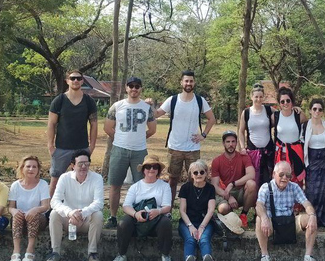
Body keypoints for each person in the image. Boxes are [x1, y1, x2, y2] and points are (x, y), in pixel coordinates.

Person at [104, 76, 156, 229]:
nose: (134, 89)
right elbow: (107, 128)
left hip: (139, 151)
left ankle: (139, 216)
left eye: (137, 86)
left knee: (141, 185)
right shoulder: (117, 106)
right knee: (115, 185)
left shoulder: (147, 108)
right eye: (131, 86)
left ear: (141, 89)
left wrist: (140, 137)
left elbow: (152, 129)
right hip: (119, 150)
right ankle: (113, 217)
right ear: (126, 88)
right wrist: (120, 138)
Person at [156, 70, 217, 199]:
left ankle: (191, 210)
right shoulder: (173, 100)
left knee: (195, 181)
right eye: (186, 81)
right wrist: (148, 106)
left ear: (194, 83)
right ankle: (169, 209)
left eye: (191, 81)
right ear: (181, 82)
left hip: (193, 148)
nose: (188, 83)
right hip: (175, 147)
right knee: (172, 180)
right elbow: (156, 114)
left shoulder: (200, 100)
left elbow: (212, 119)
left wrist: (203, 135)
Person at [255, 161, 320, 261]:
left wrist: (312, 215)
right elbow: (259, 205)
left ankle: (308, 258)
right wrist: (264, 218)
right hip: (272, 224)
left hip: (289, 223)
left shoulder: (294, 187)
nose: (284, 178)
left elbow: (306, 203)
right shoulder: (266, 187)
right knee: (259, 219)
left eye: (288, 175)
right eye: (281, 175)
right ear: (274, 174)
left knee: (310, 218)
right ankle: (264, 257)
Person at [43, 150, 104, 261]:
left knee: (98, 215)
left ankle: (92, 253)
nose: (83, 167)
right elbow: (54, 201)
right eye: (80, 163)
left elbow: (99, 202)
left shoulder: (97, 178)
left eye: (86, 163)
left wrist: (82, 213)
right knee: (54, 214)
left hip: (86, 220)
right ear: (72, 165)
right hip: (69, 220)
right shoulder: (64, 178)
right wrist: (70, 213)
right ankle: (55, 253)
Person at [111, 155, 174, 261]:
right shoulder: (135, 186)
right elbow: (126, 206)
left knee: (166, 223)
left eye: (154, 167)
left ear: (158, 170)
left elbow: (167, 207)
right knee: (123, 223)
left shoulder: (164, 186)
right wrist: (136, 214)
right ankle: (121, 254)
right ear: (143, 170)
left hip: (157, 217)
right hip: (138, 217)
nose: (151, 169)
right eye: (148, 167)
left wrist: (158, 211)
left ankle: (165, 255)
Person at [47, 70, 98, 197]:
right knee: (55, 180)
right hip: (61, 148)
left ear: (82, 81)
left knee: (81, 179)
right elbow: (51, 124)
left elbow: (94, 124)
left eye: (78, 78)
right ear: (67, 81)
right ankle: (49, 210)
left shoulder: (89, 101)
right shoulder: (59, 100)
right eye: (72, 78)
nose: (75, 80)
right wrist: (50, 146)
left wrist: (92, 146)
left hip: (82, 148)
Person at [8, 155, 50, 261]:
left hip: (38, 219)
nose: (31, 169)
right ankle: (16, 251)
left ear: (38, 169)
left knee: (34, 215)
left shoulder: (43, 184)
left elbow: (46, 206)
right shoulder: (15, 185)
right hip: (20, 219)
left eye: (34, 167)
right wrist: (14, 212)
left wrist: (35, 209)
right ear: (22, 168)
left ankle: (30, 250)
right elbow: (11, 207)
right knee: (17, 215)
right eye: (28, 166)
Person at [302, 99, 325, 230]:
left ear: (323, 112)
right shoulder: (305, 126)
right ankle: (312, 218)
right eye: (315, 109)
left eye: (320, 109)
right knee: (312, 191)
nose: (317, 111)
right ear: (310, 110)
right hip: (311, 161)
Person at [179, 160, 217, 261]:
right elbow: (182, 211)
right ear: (191, 175)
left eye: (202, 172)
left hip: (205, 221)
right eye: (195, 172)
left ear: (206, 174)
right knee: (190, 238)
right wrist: (190, 225)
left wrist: (201, 227)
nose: (199, 175)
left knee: (204, 238)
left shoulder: (210, 189)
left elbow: (211, 210)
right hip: (187, 221)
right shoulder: (185, 188)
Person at [212, 130, 257, 228]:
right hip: (225, 192)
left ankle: (243, 214)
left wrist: (233, 183)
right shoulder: (217, 161)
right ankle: (231, 217)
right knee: (223, 208)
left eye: (233, 142)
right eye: (228, 142)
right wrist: (228, 197)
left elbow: (251, 174)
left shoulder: (243, 157)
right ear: (223, 143)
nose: (230, 144)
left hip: (240, 191)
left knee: (251, 184)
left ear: (236, 143)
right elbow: (215, 185)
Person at [238, 83, 275, 187]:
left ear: (263, 97)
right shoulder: (246, 113)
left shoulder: (269, 110)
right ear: (251, 97)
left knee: (268, 180)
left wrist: (295, 109)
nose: (258, 99)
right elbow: (241, 131)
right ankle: (253, 202)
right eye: (256, 97)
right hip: (252, 152)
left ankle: (267, 201)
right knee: (253, 180)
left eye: (260, 97)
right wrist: (242, 147)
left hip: (268, 151)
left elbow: (283, 115)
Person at [272, 87, 308, 188]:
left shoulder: (299, 115)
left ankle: (297, 204)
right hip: (280, 154)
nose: (285, 103)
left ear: (292, 101)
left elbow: (309, 127)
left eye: (288, 100)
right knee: (280, 181)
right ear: (279, 103)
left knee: (295, 182)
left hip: (295, 154)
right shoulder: (275, 117)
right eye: (282, 101)